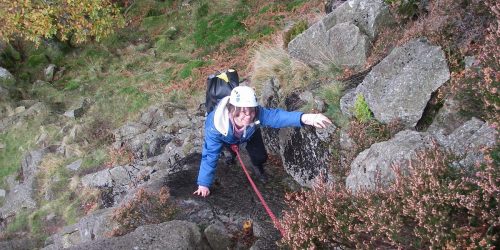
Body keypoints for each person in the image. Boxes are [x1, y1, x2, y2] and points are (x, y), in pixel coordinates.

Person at [194, 86, 332, 197]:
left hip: (250, 133)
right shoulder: (215, 125)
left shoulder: (256, 113)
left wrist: (307, 118)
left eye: (251, 112)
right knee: (228, 149)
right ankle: (231, 154)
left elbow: (277, 117)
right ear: (232, 110)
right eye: (243, 112)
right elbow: (209, 154)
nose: (248, 116)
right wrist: (204, 184)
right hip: (226, 136)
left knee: (260, 156)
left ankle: (258, 168)